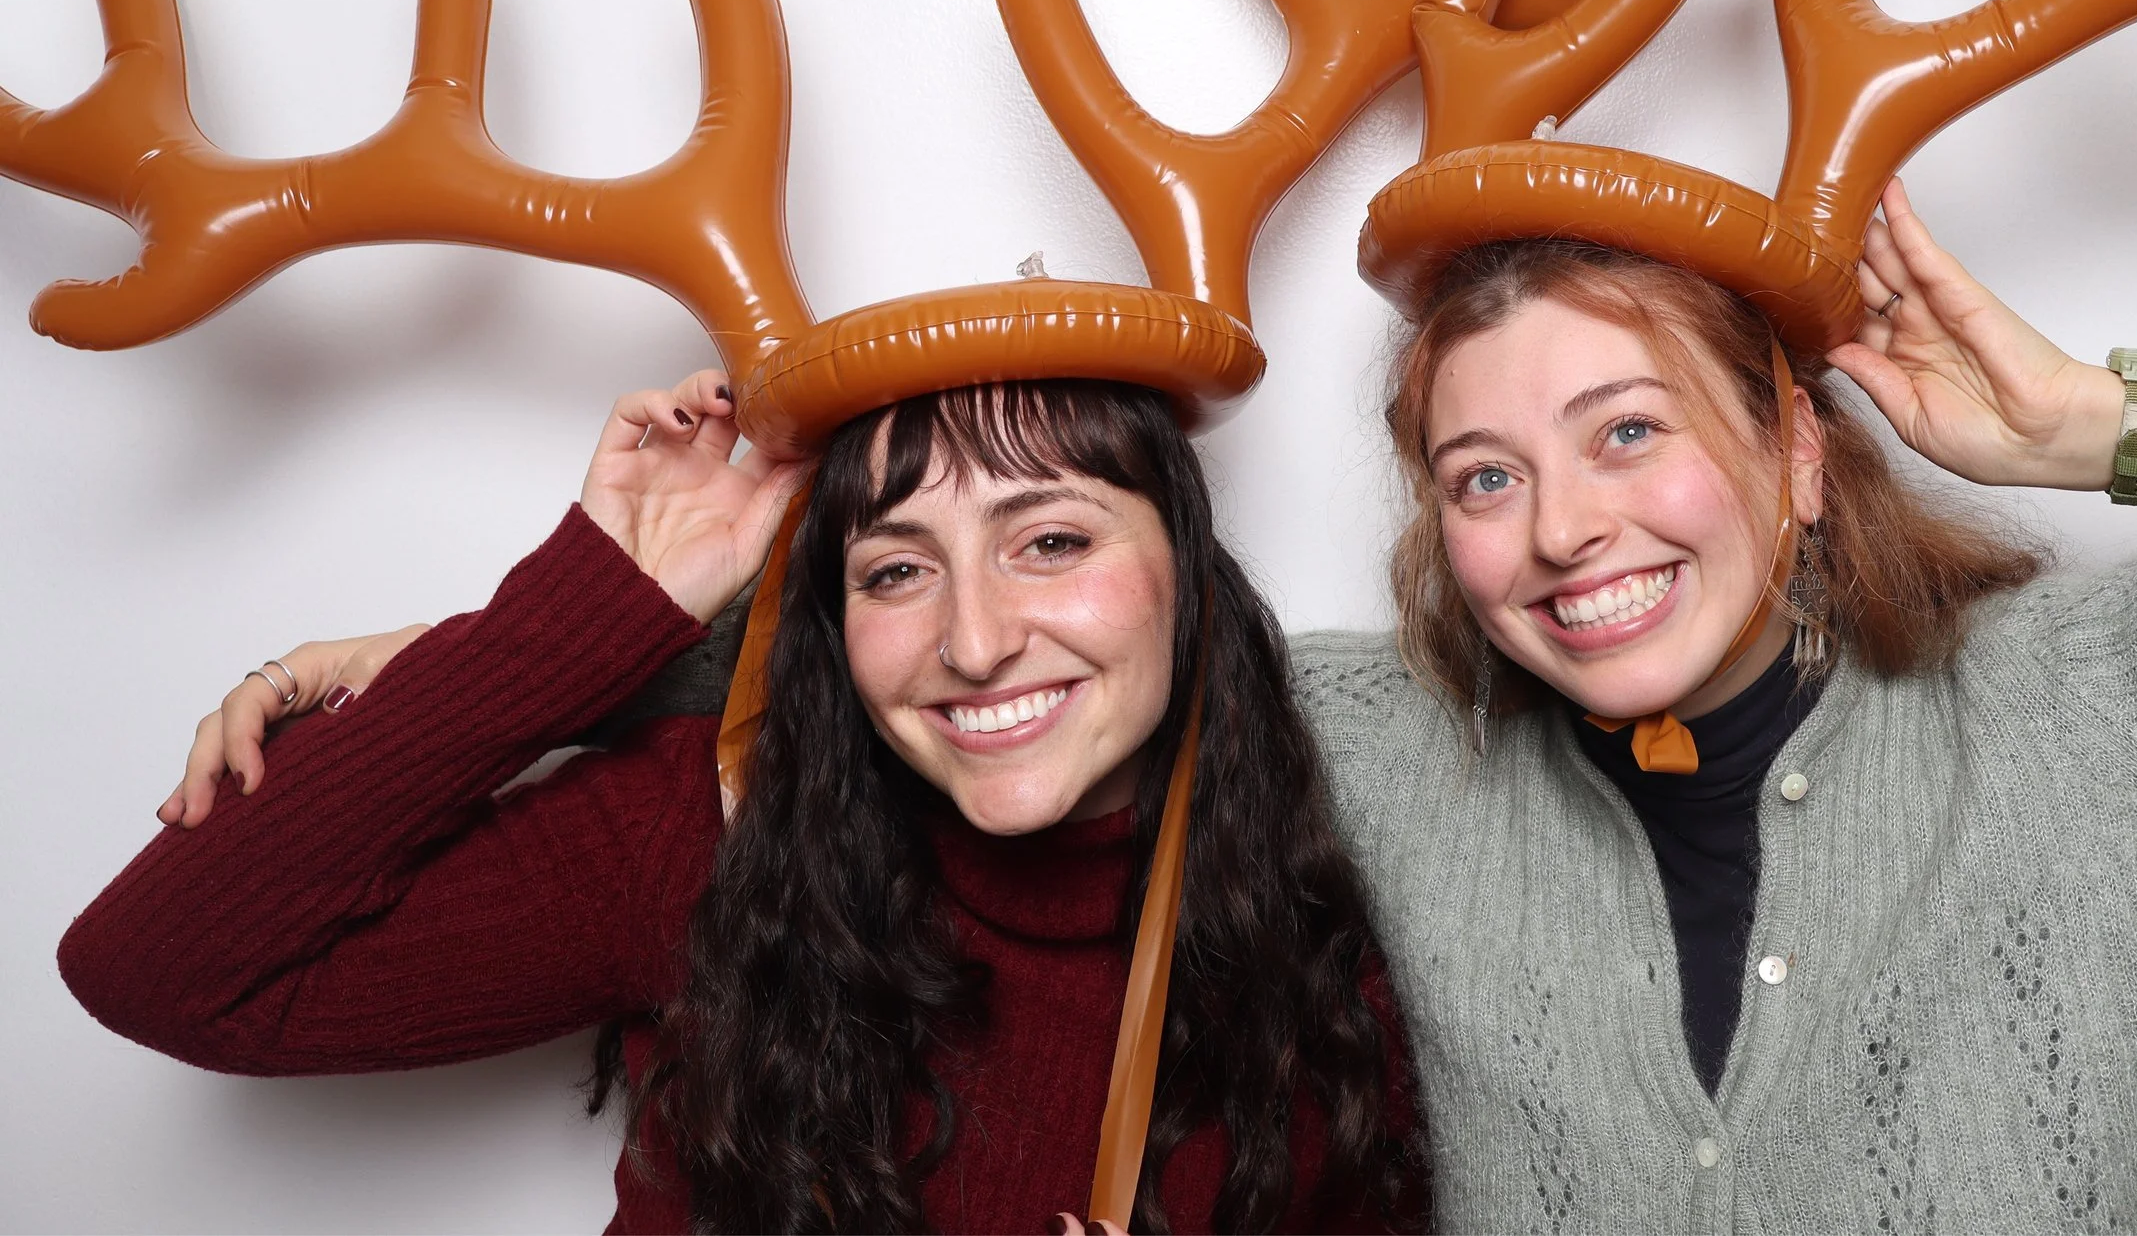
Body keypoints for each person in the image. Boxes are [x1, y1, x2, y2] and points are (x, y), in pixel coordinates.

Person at [1280, 180, 2137, 1230]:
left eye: (1629, 430)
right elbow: (1107, 653)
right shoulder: (1395, 748)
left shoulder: (2118, 701)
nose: (1561, 528)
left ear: (1799, 452)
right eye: (1485, 476)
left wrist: (2112, 423)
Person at [61, 368, 1427, 1234]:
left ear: (1185, 570)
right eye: (894, 570)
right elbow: (158, 970)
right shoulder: (706, 835)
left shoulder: (1321, 950)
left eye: (1052, 539)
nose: (974, 637)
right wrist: (590, 616)